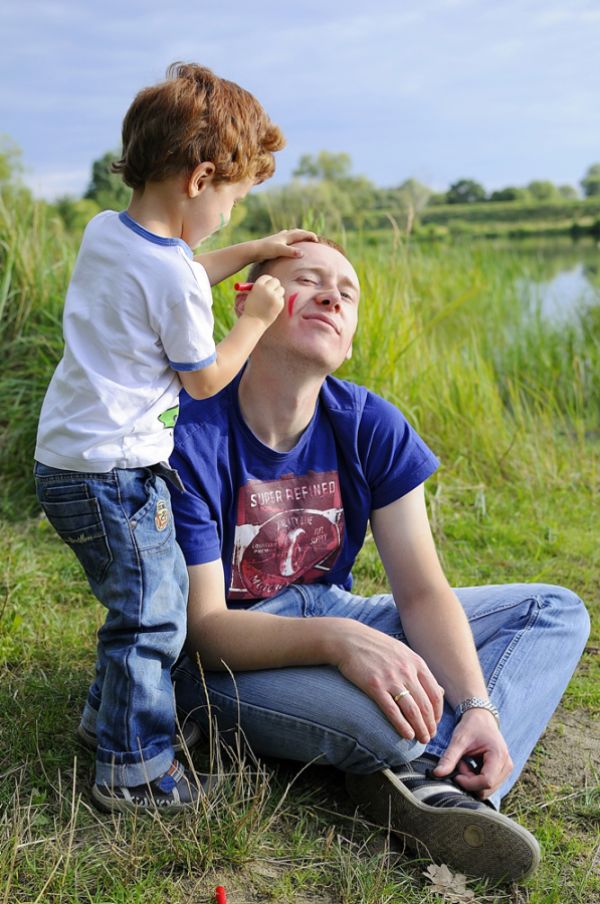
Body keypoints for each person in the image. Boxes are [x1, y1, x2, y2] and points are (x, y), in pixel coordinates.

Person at [168, 237, 589, 881]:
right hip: (228, 656)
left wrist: (478, 704)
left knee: (553, 611)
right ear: (249, 302)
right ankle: (418, 770)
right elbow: (204, 627)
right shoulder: (190, 432)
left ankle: (438, 782)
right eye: (307, 279)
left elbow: (421, 593)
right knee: (394, 725)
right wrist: (342, 642)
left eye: (348, 291)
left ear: (351, 336)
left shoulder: (370, 423)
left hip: (334, 609)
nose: (333, 294)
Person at [33, 61, 317, 813]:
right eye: (234, 199)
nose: (230, 216)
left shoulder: (109, 234)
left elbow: (185, 267)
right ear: (199, 179)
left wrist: (250, 250)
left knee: (133, 600)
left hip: (66, 462)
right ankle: (134, 774)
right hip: (118, 475)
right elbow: (203, 380)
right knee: (155, 614)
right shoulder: (174, 280)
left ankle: (108, 722)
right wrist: (253, 323)